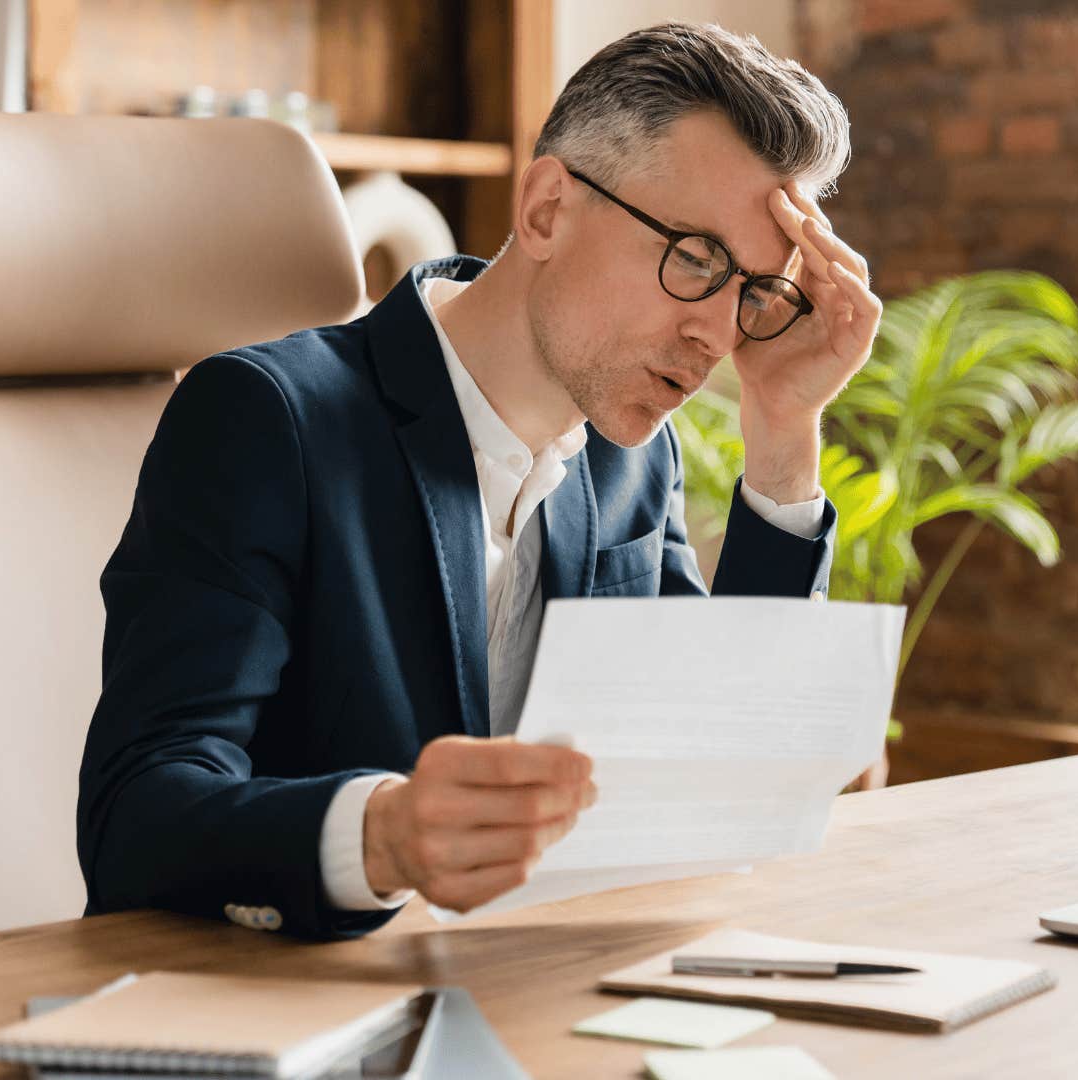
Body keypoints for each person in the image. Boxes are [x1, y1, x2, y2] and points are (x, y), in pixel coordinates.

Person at [77, 22, 881, 940]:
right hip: (305, 1007)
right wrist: (382, 836)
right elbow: (133, 821)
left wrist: (784, 431)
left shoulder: (631, 456)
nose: (718, 335)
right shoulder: (268, 420)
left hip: (532, 994)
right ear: (545, 209)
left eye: (755, 293)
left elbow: (714, 768)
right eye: (695, 261)